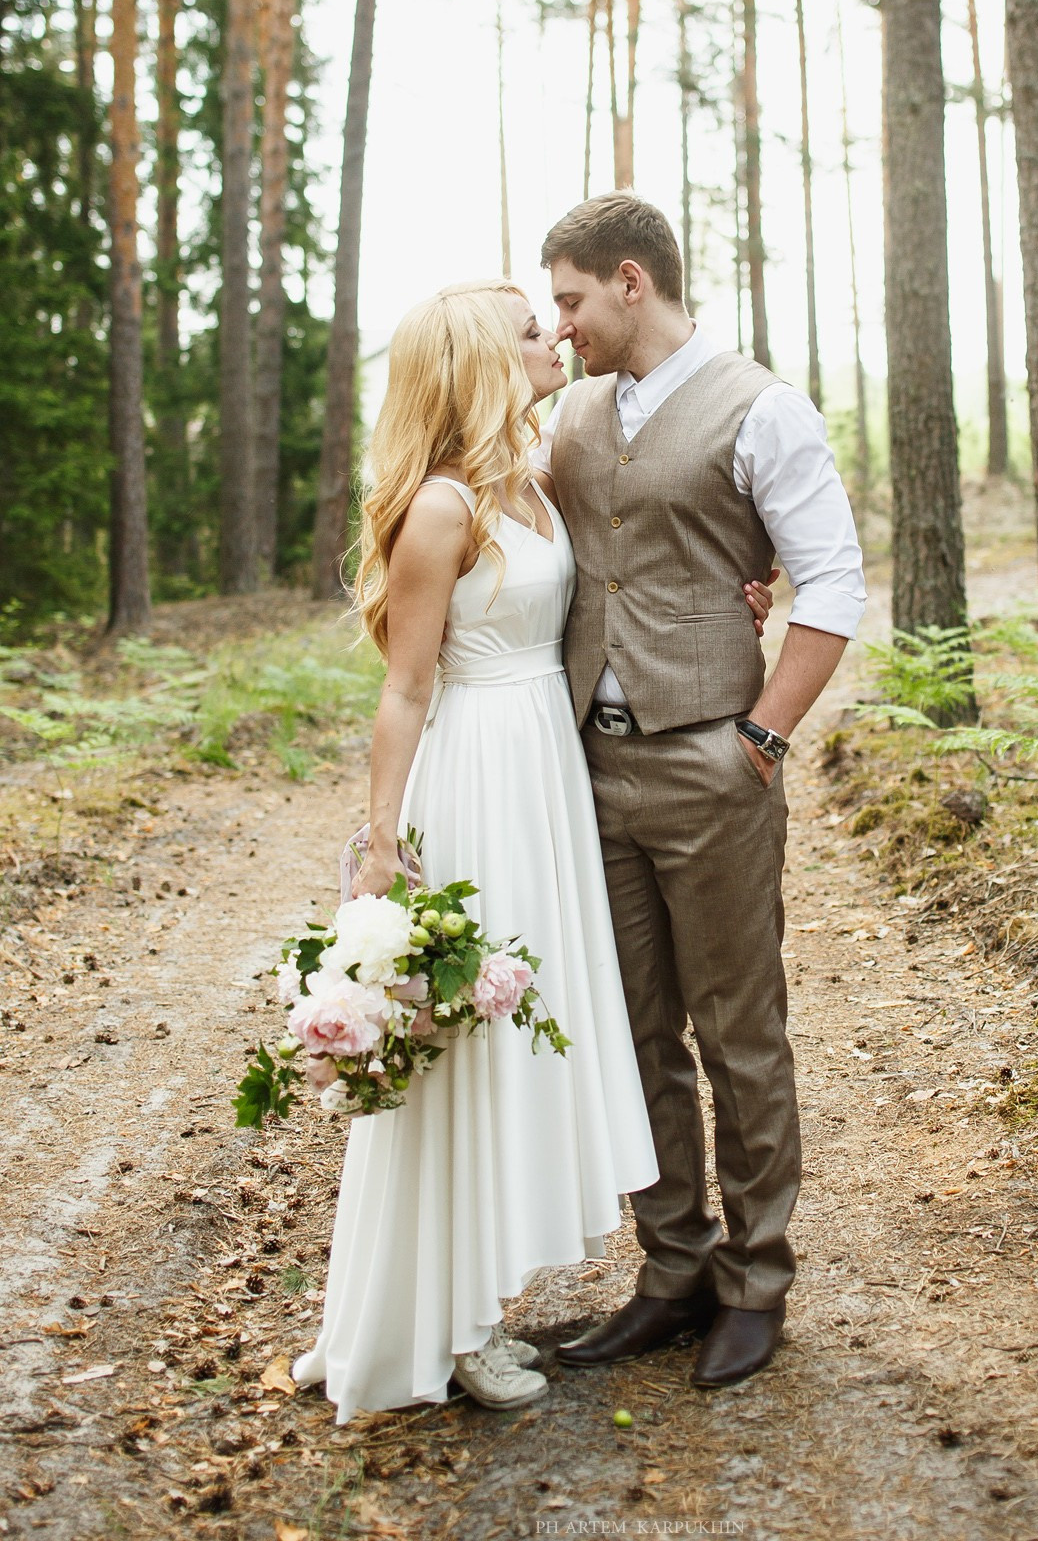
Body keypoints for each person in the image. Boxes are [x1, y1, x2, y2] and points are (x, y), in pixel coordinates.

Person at [292, 280, 773, 1421]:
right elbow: (405, 689)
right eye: (526, 328)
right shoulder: (442, 508)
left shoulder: (539, 476)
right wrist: (380, 844)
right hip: (478, 779)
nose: (552, 334)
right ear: (478, 363)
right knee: (463, 1051)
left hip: (550, 778)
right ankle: (448, 1326)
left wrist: (737, 597)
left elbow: (634, 570)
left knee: (518, 1043)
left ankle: (481, 1294)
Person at [533, 192, 866, 1389]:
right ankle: (669, 1269)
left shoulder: (761, 407)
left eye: (571, 299)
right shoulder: (568, 413)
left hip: (711, 765)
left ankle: (754, 1279)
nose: (561, 325)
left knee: (737, 1031)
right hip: (588, 768)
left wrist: (758, 741)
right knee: (633, 1034)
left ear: (631, 281)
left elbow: (831, 585)